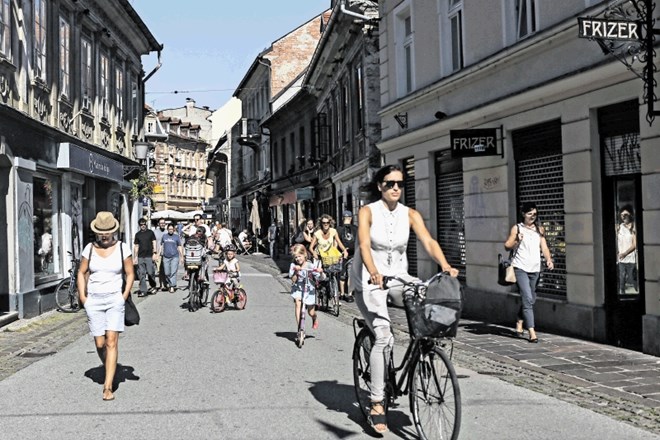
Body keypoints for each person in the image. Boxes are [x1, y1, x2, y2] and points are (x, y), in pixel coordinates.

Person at [351, 164, 459, 434]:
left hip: (399, 278)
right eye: (389, 183)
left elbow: (428, 241)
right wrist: (373, 271)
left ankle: (421, 355)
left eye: (399, 183)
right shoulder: (367, 212)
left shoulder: (410, 214)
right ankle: (377, 403)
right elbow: (364, 244)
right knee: (384, 336)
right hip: (369, 280)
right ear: (380, 186)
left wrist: (445, 265)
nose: (395, 188)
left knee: (425, 308)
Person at [76, 211, 134, 401]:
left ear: (113, 231)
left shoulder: (122, 249)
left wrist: (123, 296)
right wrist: (83, 297)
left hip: (114, 300)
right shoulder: (89, 249)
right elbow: (81, 272)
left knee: (111, 341)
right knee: (100, 343)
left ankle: (107, 386)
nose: (104, 235)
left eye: (107, 231)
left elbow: (130, 273)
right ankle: (110, 365)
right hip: (94, 300)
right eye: (101, 232)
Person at [504, 201, 554, 344]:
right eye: (529, 213)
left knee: (531, 298)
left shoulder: (539, 229)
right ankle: (531, 331)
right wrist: (516, 241)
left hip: (535, 269)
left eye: (535, 214)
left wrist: (549, 259)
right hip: (520, 268)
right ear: (523, 214)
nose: (533, 216)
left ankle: (520, 320)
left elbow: (544, 247)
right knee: (527, 297)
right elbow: (507, 246)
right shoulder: (517, 228)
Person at [289, 243, 322, 332]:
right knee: (297, 303)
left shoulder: (310, 265)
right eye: (296, 257)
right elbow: (293, 279)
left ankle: (314, 317)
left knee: (310, 312)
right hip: (298, 288)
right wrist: (296, 271)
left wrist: (320, 272)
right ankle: (300, 328)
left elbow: (319, 277)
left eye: (299, 256)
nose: (297, 259)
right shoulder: (293, 265)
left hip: (309, 290)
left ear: (304, 255)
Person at [133, 218, 158, 297]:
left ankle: (153, 286)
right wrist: (135, 257)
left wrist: (154, 253)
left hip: (149, 256)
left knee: (150, 273)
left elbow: (154, 242)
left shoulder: (150, 233)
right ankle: (143, 290)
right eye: (141, 225)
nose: (143, 226)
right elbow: (136, 246)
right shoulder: (137, 234)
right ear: (139, 225)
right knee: (141, 274)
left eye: (144, 224)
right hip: (141, 256)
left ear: (146, 224)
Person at [616, 206, 637, 295]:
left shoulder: (634, 227)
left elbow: (635, 245)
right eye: (621, 215)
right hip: (621, 259)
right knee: (622, 280)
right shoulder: (619, 227)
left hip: (631, 259)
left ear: (630, 215)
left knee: (633, 280)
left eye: (625, 214)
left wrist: (625, 253)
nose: (623, 216)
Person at [337, 210, 356, 302]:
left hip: (342, 254)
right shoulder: (355, 228)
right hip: (351, 254)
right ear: (351, 218)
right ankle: (349, 294)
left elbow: (336, 242)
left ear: (342, 219)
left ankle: (342, 293)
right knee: (349, 275)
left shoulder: (339, 229)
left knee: (343, 275)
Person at [160, 223, 184, 293]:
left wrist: (182, 256)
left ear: (174, 229)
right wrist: (158, 253)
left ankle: (172, 286)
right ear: (167, 229)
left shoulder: (176, 237)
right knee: (167, 272)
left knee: (173, 272)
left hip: (175, 256)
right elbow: (161, 245)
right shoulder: (164, 236)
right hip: (166, 256)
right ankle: (170, 283)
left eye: (172, 229)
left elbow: (179, 246)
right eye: (169, 229)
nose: (171, 230)